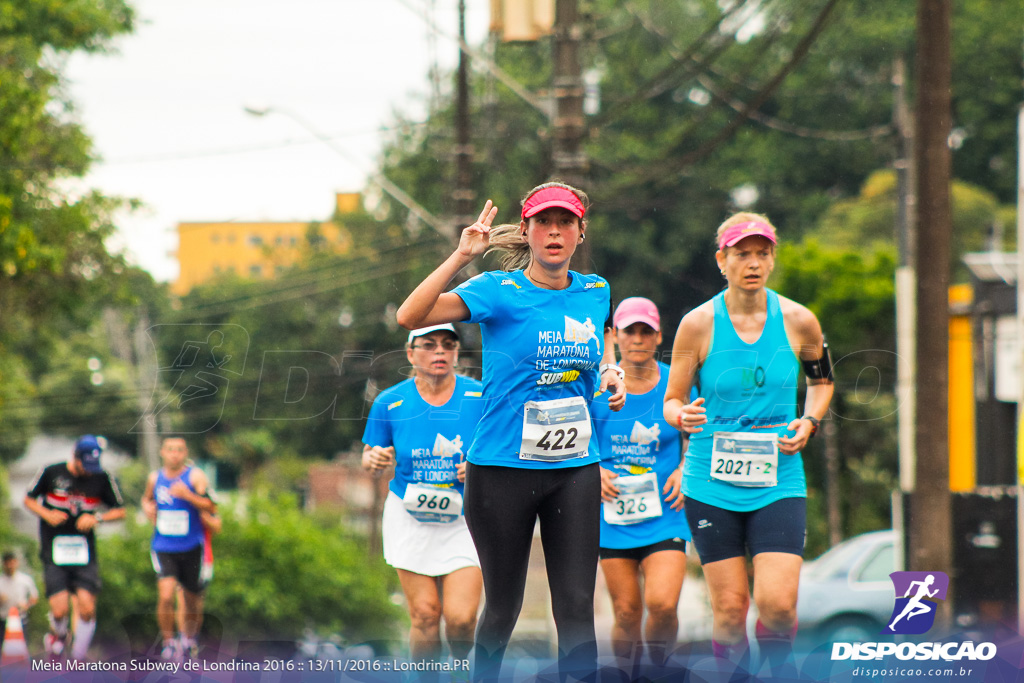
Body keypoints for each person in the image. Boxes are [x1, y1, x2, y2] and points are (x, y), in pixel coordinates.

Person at [396, 182, 626, 680]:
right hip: (501, 470)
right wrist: (461, 255)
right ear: (526, 232)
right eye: (544, 222)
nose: (554, 232)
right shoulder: (496, 291)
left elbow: (599, 337)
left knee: (576, 607)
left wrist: (612, 371)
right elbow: (409, 316)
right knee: (503, 609)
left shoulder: (596, 290)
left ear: (580, 233)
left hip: (575, 468)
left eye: (565, 223)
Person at [663, 213, 834, 677]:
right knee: (731, 610)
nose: (753, 263)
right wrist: (683, 415)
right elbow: (672, 399)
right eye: (742, 254)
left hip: (778, 477)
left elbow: (822, 383)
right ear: (723, 260)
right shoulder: (697, 324)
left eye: (762, 253)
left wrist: (809, 421)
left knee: (777, 606)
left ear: (773, 259)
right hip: (711, 482)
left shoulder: (800, 320)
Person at [362, 324, 484, 668]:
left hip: (465, 518)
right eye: (429, 345)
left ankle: (462, 670)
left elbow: (499, 450)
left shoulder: (480, 397)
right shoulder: (390, 401)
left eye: (448, 345)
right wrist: (372, 458)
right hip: (409, 516)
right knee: (426, 616)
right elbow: (371, 454)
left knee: (460, 620)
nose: (440, 352)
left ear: (457, 353)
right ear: (410, 353)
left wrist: (478, 470)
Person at [591, 297, 690, 670]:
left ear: (658, 336)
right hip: (611, 515)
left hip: (666, 511)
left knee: (663, 606)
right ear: (614, 335)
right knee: (627, 613)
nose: (637, 339)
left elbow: (699, 428)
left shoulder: (675, 382)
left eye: (645, 331)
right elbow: (576, 435)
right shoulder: (598, 386)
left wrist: (686, 466)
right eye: (629, 331)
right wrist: (594, 471)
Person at [23, 435, 126, 660]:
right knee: (60, 611)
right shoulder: (51, 472)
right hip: (54, 549)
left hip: (84, 552)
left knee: (87, 609)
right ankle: (57, 636)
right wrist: (47, 514)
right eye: (85, 465)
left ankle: (78, 657)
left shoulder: (102, 478)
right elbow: (28, 499)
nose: (89, 471)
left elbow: (120, 511)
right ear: (75, 456)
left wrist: (97, 518)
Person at [141, 437, 217, 661]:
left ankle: (189, 639)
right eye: (170, 450)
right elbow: (146, 500)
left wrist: (188, 495)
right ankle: (169, 642)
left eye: (180, 450)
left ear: (185, 453)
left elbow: (211, 505)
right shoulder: (155, 478)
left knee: (192, 599)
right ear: (163, 452)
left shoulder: (195, 476)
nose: (175, 454)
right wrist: (147, 508)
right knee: (166, 595)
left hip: (192, 546)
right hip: (164, 545)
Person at [0, 551, 39, 650]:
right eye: (7, 563)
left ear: (16, 563)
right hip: (3, 619)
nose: (10, 566)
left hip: (20, 618)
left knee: (20, 646)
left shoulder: (25, 579)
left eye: (12, 563)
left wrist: (26, 605)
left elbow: (34, 597)